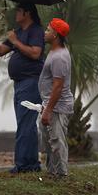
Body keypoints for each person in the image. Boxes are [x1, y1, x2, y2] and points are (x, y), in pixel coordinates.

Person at [0, 2, 44, 173]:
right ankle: (30, 163)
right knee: (24, 122)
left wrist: (15, 42)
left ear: (27, 13)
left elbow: (35, 53)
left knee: (26, 123)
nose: (15, 14)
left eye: (19, 11)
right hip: (20, 83)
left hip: (31, 82)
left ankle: (24, 165)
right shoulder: (18, 32)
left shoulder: (36, 31)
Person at [39, 18, 73, 177]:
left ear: (56, 35)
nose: (45, 33)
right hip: (50, 104)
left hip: (57, 107)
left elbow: (58, 86)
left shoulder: (59, 56)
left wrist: (48, 110)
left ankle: (61, 174)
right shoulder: (53, 51)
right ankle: (52, 172)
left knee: (57, 141)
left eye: (48, 30)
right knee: (49, 140)